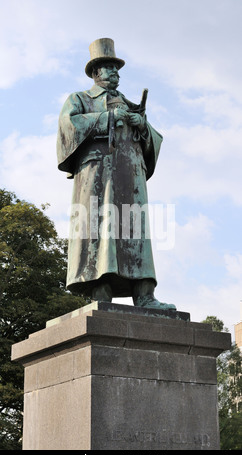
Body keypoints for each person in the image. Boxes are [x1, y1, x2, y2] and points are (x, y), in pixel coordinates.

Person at [57, 38, 176, 310]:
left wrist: (141, 125)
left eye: (117, 69)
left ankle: (145, 294)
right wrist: (108, 118)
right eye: (110, 68)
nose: (116, 74)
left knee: (136, 234)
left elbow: (154, 140)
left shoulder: (130, 104)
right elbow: (68, 127)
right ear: (96, 72)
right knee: (100, 231)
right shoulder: (80, 100)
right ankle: (101, 293)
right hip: (97, 175)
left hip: (130, 176)